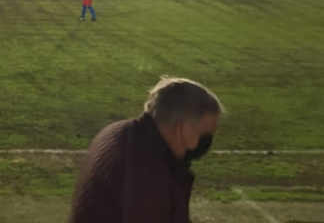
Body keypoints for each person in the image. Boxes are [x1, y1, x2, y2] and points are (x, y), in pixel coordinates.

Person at [68, 77, 224, 223]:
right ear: (181, 127)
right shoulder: (149, 177)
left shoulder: (119, 132)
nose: (206, 141)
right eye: (204, 133)